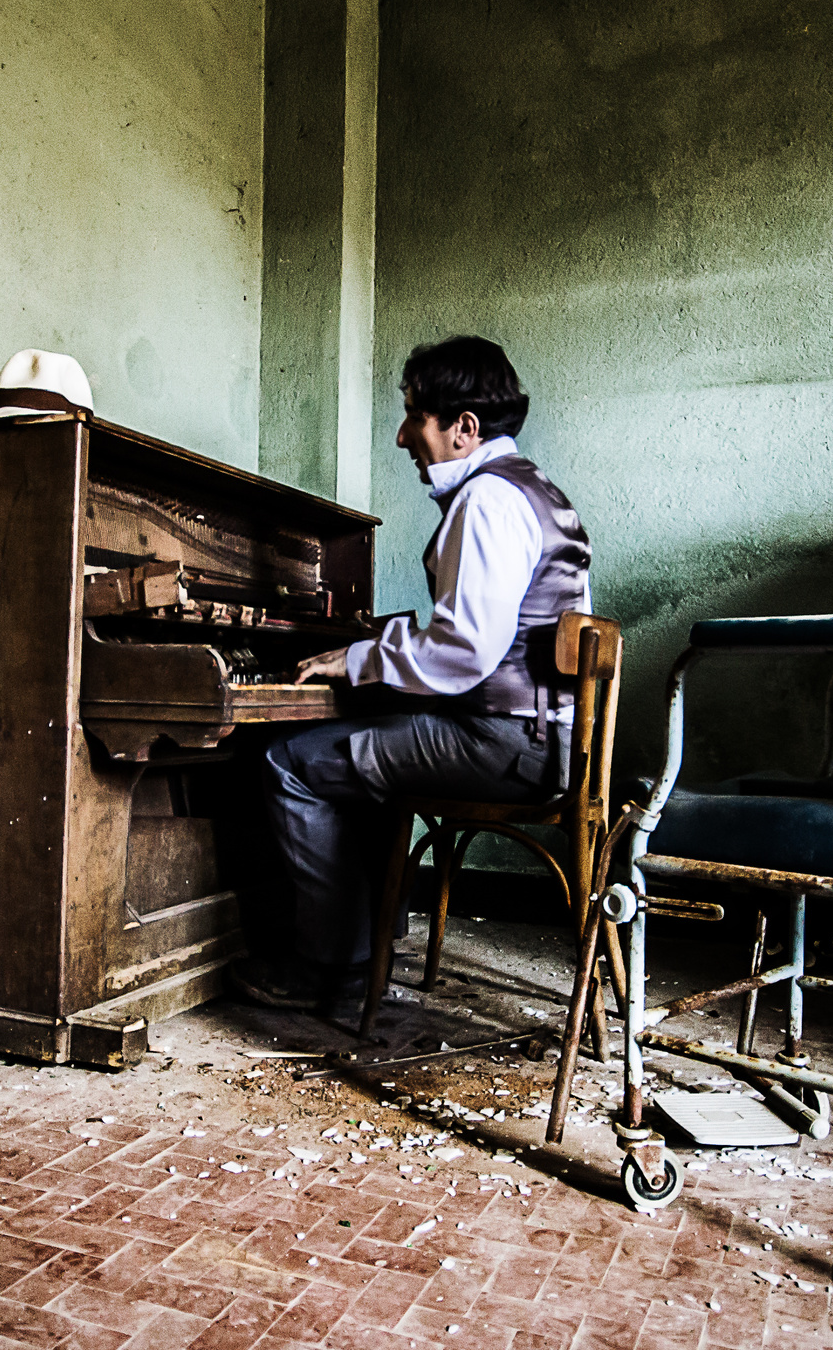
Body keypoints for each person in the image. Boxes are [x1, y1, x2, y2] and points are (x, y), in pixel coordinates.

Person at [235, 336, 593, 1013]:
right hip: (550, 740)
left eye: (414, 416)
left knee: (290, 761)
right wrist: (377, 659)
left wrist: (357, 659)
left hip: (506, 745)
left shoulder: (487, 501)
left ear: (464, 427)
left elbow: (464, 652)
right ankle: (373, 941)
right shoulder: (539, 492)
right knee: (363, 746)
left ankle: (333, 970)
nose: (402, 436)